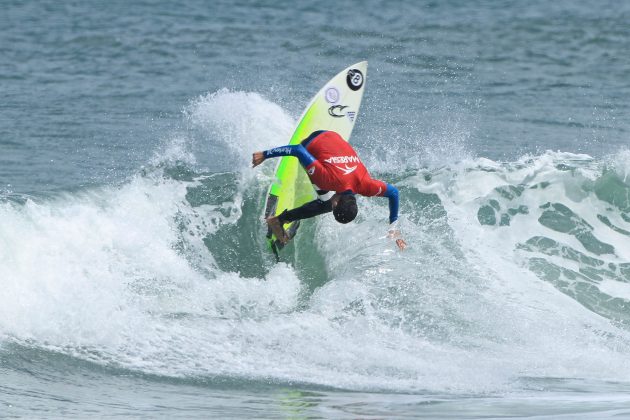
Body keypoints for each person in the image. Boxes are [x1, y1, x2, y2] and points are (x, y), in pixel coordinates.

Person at [252, 130, 406, 250]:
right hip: (311, 142)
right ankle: (279, 220)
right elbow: (297, 150)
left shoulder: (366, 185)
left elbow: (394, 193)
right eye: (334, 208)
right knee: (325, 203)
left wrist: (394, 228)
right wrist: (265, 154)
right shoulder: (325, 179)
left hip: (333, 136)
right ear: (337, 203)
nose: (332, 207)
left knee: (327, 199)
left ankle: (282, 219)